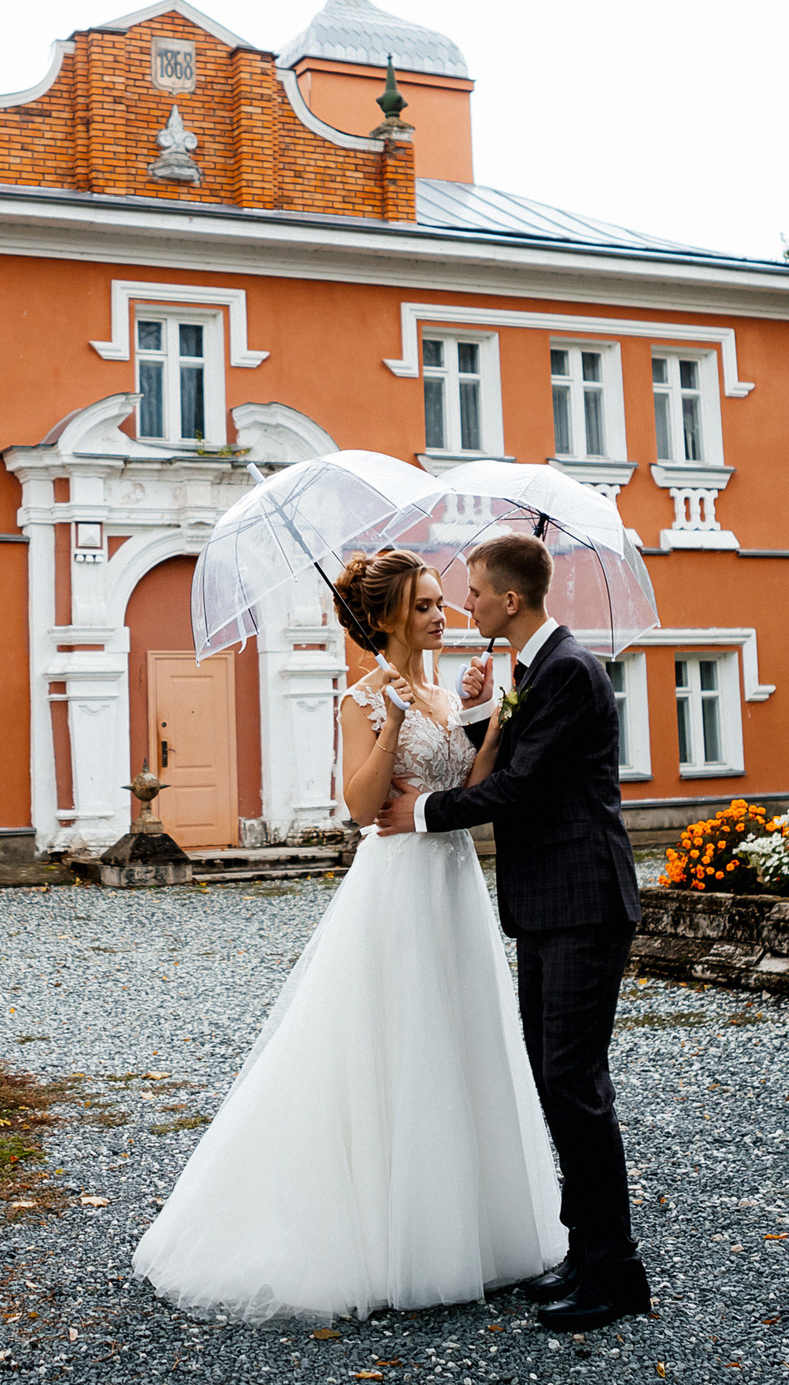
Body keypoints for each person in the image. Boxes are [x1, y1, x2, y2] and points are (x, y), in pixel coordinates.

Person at [132, 549, 564, 1321]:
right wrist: (393, 714)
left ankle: (476, 1229)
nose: (443, 614)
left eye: (443, 600)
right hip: (395, 887)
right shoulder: (363, 697)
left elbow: (467, 791)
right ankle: (391, 1237)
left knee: (460, 1041)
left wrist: (488, 720)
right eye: (428, 604)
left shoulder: (445, 687)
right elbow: (363, 808)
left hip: (453, 880)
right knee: (397, 1046)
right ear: (392, 617)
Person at [373, 530, 648, 1332]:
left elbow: (522, 789)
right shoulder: (534, 669)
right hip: (546, 906)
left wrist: (419, 812)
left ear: (512, 600)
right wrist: (487, 708)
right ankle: (584, 1250)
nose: (466, 602)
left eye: (476, 590)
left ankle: (616, 1270)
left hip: (584, 903)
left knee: (576, 1086)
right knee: (551, 1077)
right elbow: (509, 757)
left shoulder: (568, 670)